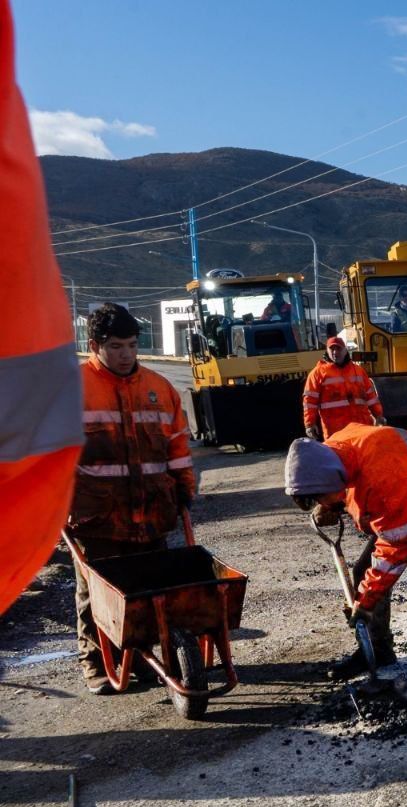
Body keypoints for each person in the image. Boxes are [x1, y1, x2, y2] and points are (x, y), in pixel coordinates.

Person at [284, 423, 407, 697]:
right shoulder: (333, 456)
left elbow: (398, 543)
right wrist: (328, 504)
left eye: (318, 495)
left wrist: (366, 601)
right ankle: (377, 649)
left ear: (330, 479)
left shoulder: (383, 471)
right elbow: (345, 488)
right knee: (364, 569)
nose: (320, 500)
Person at [0, 0, 84, 615]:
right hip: (77, 509)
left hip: (143, 505)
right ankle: (93, 656)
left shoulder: (158, 391)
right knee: (93, 590)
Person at [69, 303, 197, 694]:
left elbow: (177, 445)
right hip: (97, 514)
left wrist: (185, 487)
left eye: (131, 344)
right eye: (116, 346)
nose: (126, 354)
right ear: (94, 345)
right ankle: (96, 664)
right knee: (99, 594)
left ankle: (141, 660)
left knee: (146, 592)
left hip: (151, 510)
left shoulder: (159, 389)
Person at [302, 336, 386, 440]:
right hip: (336, 432)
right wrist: (310, 423)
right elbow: (310, 401)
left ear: (345, 350)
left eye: (338, 349)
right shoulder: (317, 374)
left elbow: (371, 396)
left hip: (361, 428)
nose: (335, 352)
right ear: (327, 351)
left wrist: (378, 415)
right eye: (332, 349)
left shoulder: (359, 371)